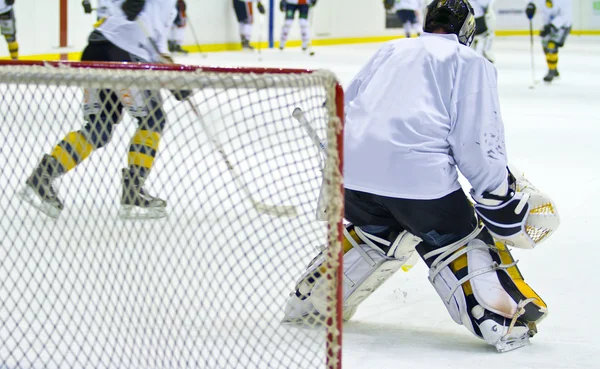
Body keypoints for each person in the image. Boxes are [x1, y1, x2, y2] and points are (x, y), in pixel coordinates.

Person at [283, 0, 560, 353]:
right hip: (417, 184)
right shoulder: (471, 63)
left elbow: (345, 106)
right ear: (468, 31)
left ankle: (312, 300)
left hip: (350, 180)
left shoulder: (392, 49)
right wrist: (497, 193)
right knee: (461, 239)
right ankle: (500, 319)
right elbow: (475, 140)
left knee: (379, 233)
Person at [21, 0, 186, 220]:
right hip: (122, 54)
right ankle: (133, 190)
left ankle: (43, 176)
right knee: (153, 119)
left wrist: (177, 81)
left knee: (100, 128)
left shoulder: (171, 7)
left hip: (97, 49)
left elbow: (158, 53)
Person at [526, 0, 572, 83]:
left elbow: (565, 16)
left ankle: (551, 70)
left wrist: (552, 26)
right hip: (548, 23)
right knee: (545, 46)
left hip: (563, 25)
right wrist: (530, 5)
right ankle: (554, 68)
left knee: (551, 45)